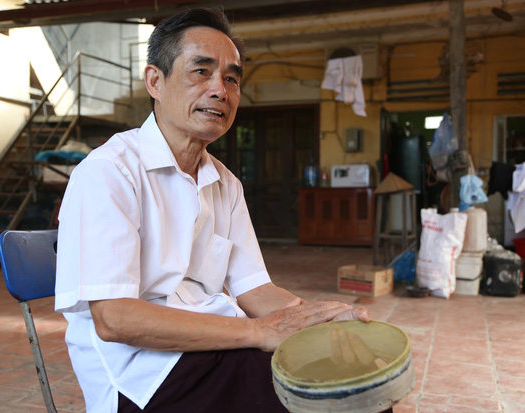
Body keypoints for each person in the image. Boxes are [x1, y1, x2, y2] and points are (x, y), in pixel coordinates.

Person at [55, 8, 370, 413]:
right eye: (201, 71)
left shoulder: (225, 183)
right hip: (141, 375)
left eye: (232, 79)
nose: (220, 90)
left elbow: (255, 290)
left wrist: (320, 320)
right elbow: (115, 319)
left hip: (217, 345)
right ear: (155, 81)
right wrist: (259, 332)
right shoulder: (108, 172)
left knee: (350, 384)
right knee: (311, 400)